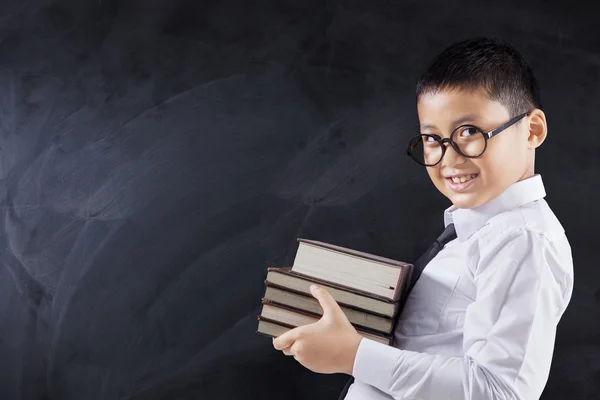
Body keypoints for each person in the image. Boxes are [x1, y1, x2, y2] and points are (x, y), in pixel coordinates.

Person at [272, 36, 574, 400]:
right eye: (432, 138)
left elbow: (500, 391)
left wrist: (354, 356)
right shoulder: (475, 230)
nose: (449, 158)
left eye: (468, 132)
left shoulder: (522, 240)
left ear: (532, 130)